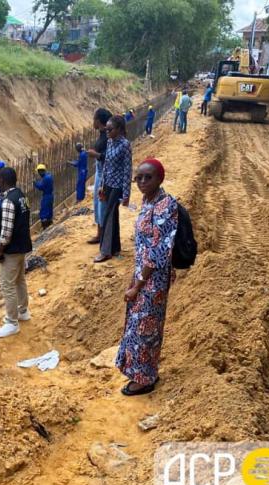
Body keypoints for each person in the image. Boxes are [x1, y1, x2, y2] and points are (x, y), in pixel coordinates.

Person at [115, 158, 178, 395]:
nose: (142, 182)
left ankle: (145, 379)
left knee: (145, 327)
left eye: (147, 177)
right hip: (142, 274)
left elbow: (157, 251)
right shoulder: (148, 200)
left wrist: (137, 286)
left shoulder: (165, 206)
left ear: (159, 178)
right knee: (138, 323)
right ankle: (140, 371)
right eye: (138, 178)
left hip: (153, 279)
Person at [0, 167, 33, 338]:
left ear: (3, 181)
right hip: (22, 245)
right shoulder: (22, 196)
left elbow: (6, 231)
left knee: (8, 285)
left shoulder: (9, 201)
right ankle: (23, 311)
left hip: (12, 249)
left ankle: (12, 322)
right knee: (19, 280)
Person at [94, 115, 132, 263]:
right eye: (106, 129)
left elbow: (127, 170)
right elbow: (107, 166)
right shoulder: (110, 142)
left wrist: (126, 194)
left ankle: (105, 251)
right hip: (108, 184)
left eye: (110, 129)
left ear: (119, 129)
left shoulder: (125, 145)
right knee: (112, 215)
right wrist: (102, 186)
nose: (107, 131)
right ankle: (115, 248)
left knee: (107, 216)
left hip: (117, 186)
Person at [86, 108, 112, 244]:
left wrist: (95, 154)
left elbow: (109, 156)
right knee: (97, 203)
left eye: (94, 119)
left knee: (102, 203)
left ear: (98, 121)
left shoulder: (108, 136)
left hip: (104, 173)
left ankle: (103, 235)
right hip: (99, 171)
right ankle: (100, 233)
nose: (92, 121)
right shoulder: (103, 134)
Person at [33, 163, 54, 229]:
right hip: (50, 195)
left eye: (39, 172)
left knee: (44, 211)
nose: (38, 174)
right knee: (49, 210)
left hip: (46, 196)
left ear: (41, 171)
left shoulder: (46, 178)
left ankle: (45, 226)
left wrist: (35, 183)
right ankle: (49, 223)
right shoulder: (49, 176)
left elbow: (41, 187)